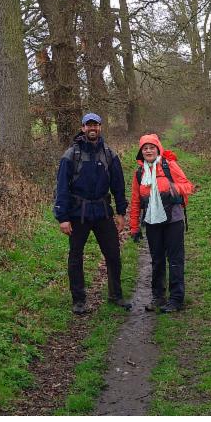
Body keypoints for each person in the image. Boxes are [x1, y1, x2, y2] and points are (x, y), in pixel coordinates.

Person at [54, 113, 131, 315]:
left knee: (113, 254)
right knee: (75, 257)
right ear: (82, 128)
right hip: (78, 213)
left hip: (103, 212)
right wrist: (62, 218)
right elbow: (61, 188)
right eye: (88, 125)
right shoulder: (71, 155)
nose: (92, 128)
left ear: (100, 127)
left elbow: (118, 185)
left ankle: (116, 295)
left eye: (95, 125)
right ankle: (79, 300)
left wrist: (121, 212)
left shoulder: (109, 155)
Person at [129, 133, 195, 313]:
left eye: (152, 147)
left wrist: (175, 189)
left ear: (158, 149)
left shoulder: (169, 165)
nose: (149, 150)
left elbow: (188, 186)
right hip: (152, 221)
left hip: (173, 219)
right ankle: (158, 297)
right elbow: (135, 201)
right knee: (157, 260)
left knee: (175, 259)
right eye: (145, 148)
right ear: (141, 152)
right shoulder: (139, 173)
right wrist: (134, 227)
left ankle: (176, 299)